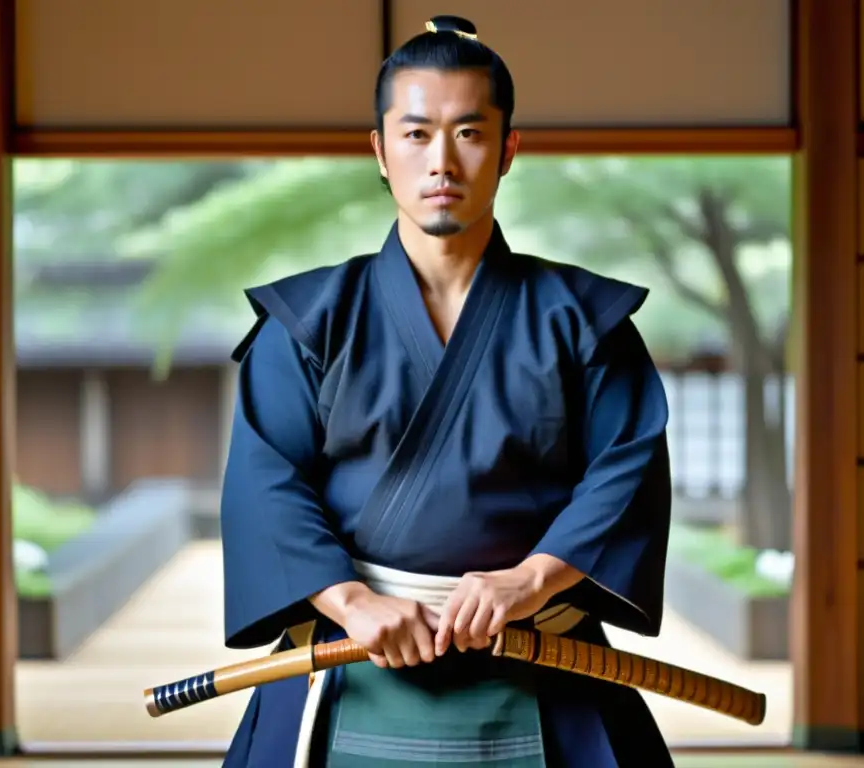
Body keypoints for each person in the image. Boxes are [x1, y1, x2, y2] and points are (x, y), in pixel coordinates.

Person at [219, 14, 674, 768]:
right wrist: (353, 602)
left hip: (538, 646)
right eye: (416, 133)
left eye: (468, 133)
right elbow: (266, 483)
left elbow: (626, 470)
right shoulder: (306, 323)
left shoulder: (585, 322)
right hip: (353, 650)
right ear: (379, 150)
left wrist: (530, 579)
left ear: (508, 149)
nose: (442, 162)